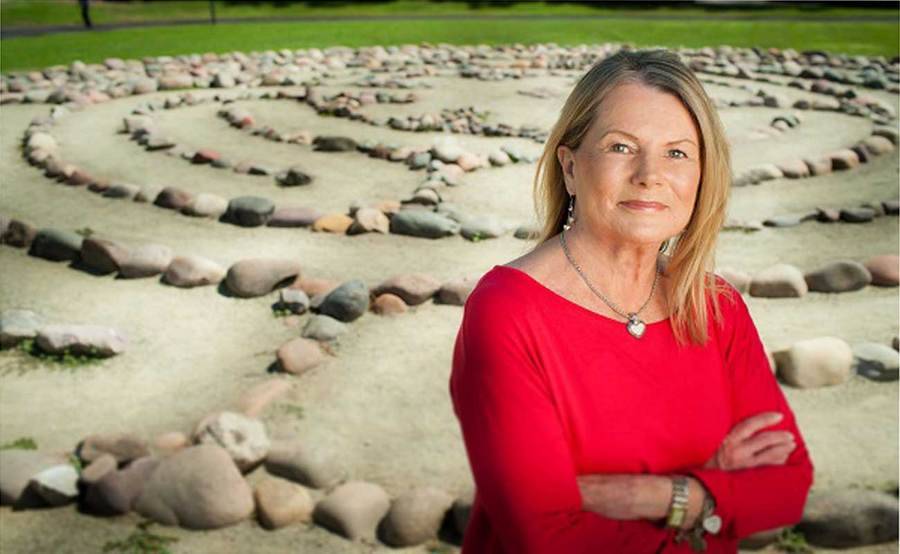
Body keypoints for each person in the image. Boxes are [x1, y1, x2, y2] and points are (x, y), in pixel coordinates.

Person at [448, 49, 814, 553]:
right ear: (571, 167)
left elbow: (787, 485)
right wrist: (716, 493)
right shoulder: (507, 312)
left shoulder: (715, 306)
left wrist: (660, 494)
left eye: (677, 153)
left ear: (703, 176)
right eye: (621, 147)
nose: (650, 174)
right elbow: (546, 538)